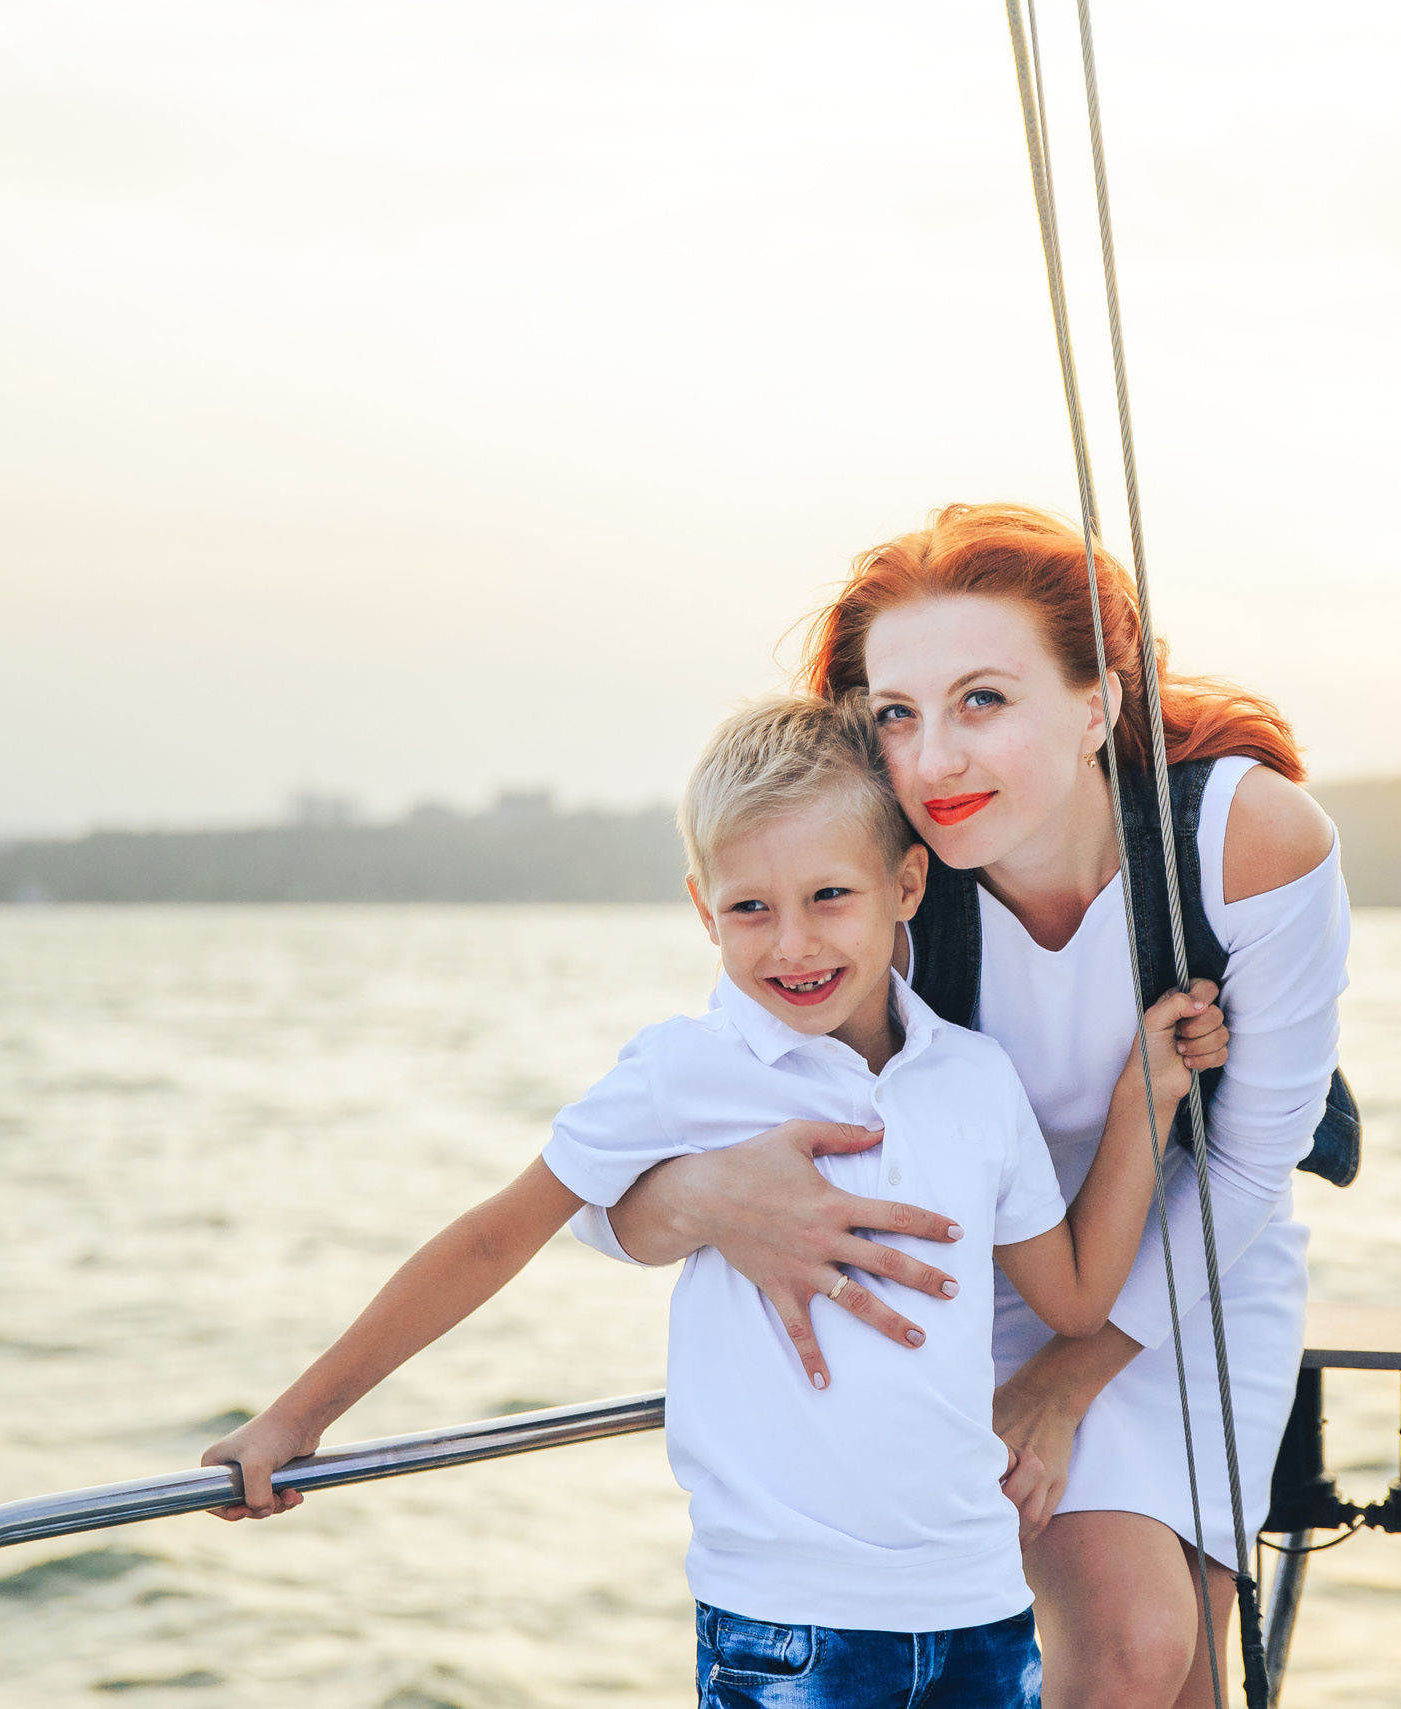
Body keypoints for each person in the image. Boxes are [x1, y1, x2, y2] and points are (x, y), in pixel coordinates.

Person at [200, 692, 1218, 1709]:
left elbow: (1076, 1298)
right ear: (702, 908)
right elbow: (492, 1239)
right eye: (749, 908)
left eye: (829, 895)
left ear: (906, 883)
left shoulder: (976, 1078)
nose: (792, 945)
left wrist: (1143, 1100)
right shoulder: (684, 1069)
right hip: (788, 1622)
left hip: (979, 1608)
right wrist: (295, 1416)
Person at [586, 504, 1349, 1709]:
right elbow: (672, 1138)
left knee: (1168, 1662)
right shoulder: (870, 870)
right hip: (962, 1279)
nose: (932, 758)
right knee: (1136, 1648)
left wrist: (1067, 1378)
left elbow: (1254, 1168)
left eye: (982, 699)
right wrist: (706, 1195)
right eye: (896, 713)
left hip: (1189, 1270)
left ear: (1098, 700)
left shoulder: (1244, 840)